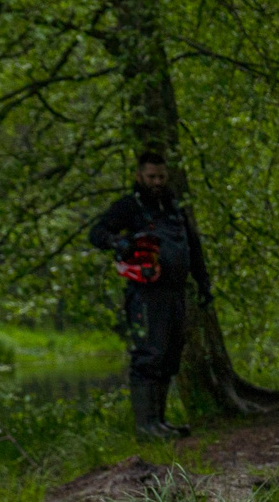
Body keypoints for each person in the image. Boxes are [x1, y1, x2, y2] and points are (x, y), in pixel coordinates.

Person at [88, 150, 210, 440]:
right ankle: (146, 426)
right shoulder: (129, 206)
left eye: (161, 176)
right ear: (139, 176)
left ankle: (160, 422)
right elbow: (96, 233)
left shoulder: (174, 207)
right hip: (146, 293)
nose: (157, 182)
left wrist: (203, 282)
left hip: (176, 292)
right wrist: (118, 242)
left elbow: (193, 246)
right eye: (151, 176)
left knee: (170, 355)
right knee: (149, 355)